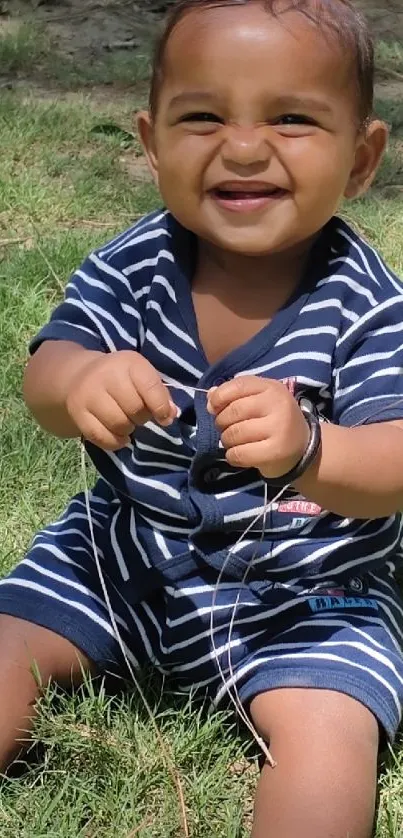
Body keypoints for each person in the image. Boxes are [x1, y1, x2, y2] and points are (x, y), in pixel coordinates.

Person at [1, 0, 403, 834]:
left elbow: (392, 468)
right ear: (150, 144)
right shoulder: (131, 264)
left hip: (305, 593)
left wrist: (312, 451)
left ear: (361, 159)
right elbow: (44, 377)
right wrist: (79, 380)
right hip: (117, 555)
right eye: (203, 116)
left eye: (292, 118)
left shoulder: (367, 306)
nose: (245, 146)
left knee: (328, 737)